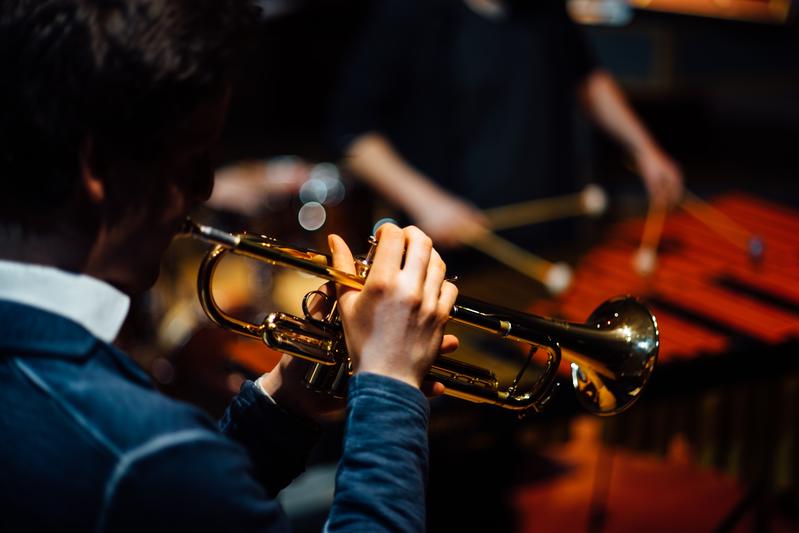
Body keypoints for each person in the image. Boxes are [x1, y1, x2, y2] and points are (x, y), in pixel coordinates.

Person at [0, 1, 458, 531]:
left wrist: (283, 402)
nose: (205, 189)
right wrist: (389, 389)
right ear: (96, 167)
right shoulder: (144, 453)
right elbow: (155, 474)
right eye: (192, 157)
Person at [329, 0, 684, 248]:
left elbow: (588, 79)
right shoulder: (412, 11)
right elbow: (352, 132)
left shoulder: (543, 8)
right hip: (461, 255)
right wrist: (427, 202)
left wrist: (645, 148)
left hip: (555, 242)